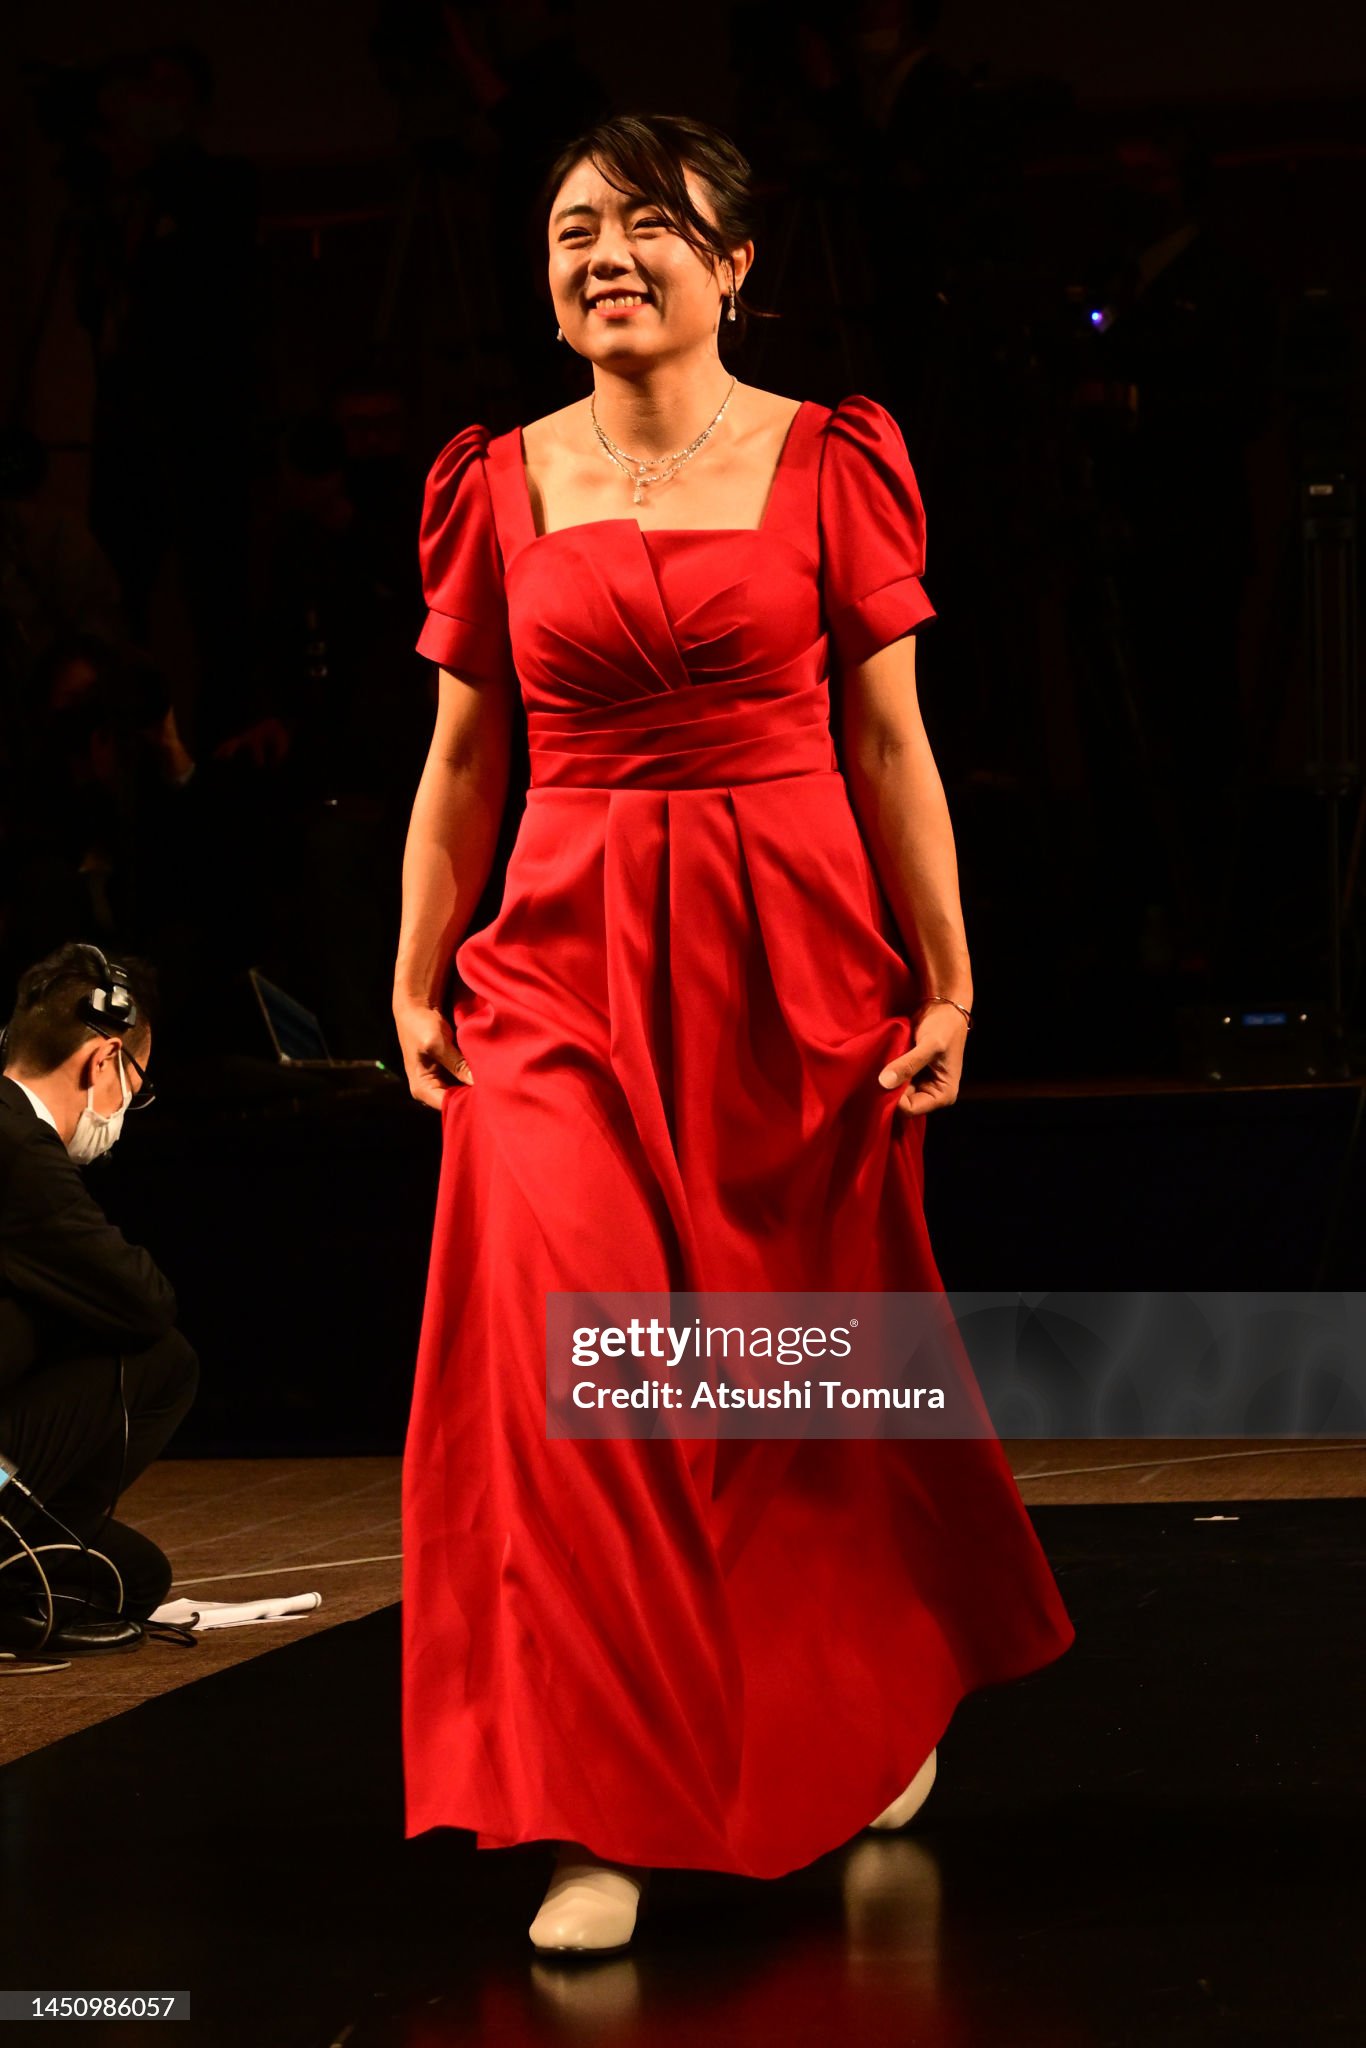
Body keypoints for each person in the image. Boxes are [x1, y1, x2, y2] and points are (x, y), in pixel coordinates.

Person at [393, 111, 1075, 1955]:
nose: (602, 253)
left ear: (733, 259)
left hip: (785, 964)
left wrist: (946, 976)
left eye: (642, 224)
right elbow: (464, 758)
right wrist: (411, 966)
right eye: (569, 230)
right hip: (555, 965)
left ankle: (871, 1695)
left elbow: (889, 744)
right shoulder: (495, 479)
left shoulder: (831, 459)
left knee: (790, 1376)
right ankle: (596, 1805)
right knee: (571, 1368)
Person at [0, 941, 198, 1655]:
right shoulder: (19, 1149)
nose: (127, 1106)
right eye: (135, 1083)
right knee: (163, 1360)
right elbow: (145, 1301)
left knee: (132, 1576)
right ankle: (12, 1569)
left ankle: (26, 1558)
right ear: (103, 1060)